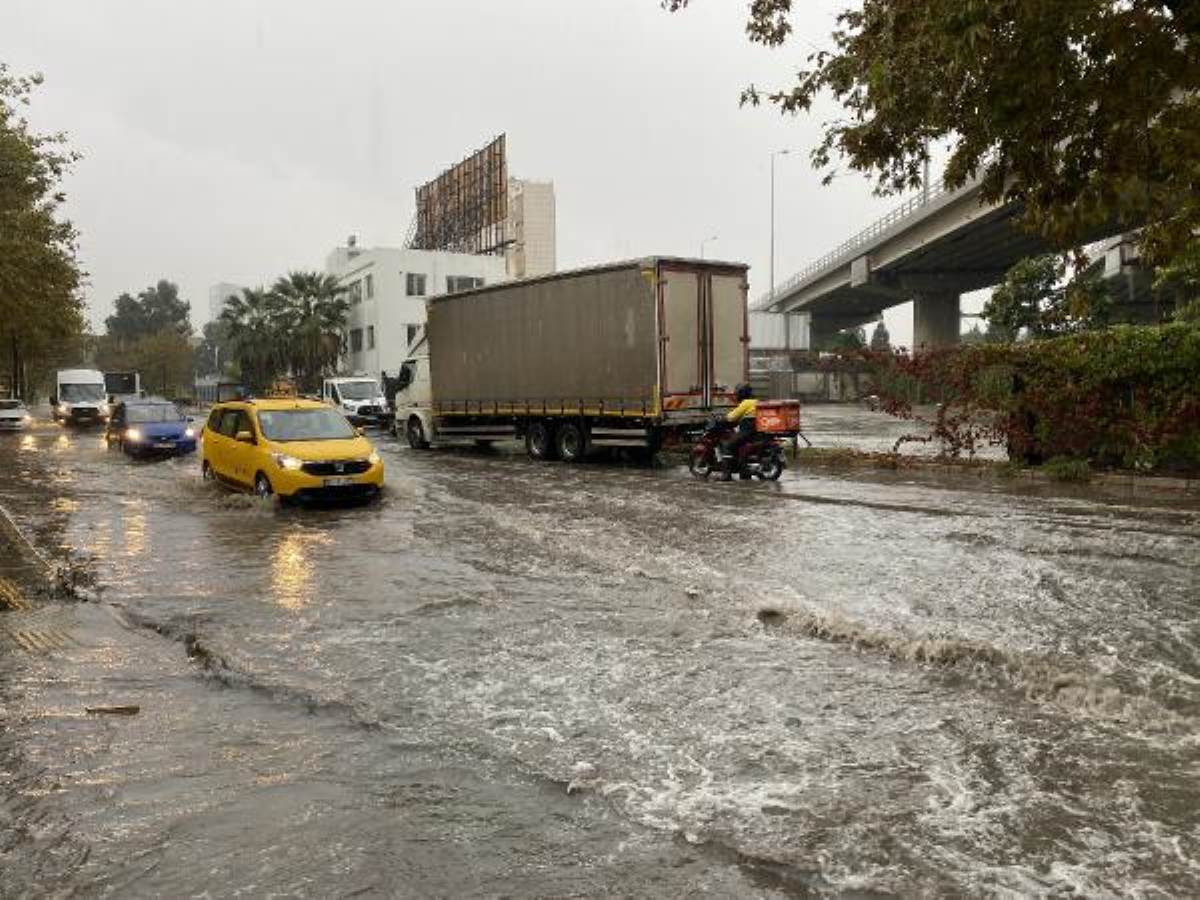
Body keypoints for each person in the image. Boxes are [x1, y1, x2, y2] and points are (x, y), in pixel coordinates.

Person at [718, 383, 757, 480]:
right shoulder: (755, 402)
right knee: (739, 447)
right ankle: (744, 473)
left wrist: (723, 419)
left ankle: (726, 475)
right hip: (754, 433)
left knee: (728, 445)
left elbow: (733, 416)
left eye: (738, 393)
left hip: (747, 432)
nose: (736, 395)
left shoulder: (746, 403)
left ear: (742, 393)